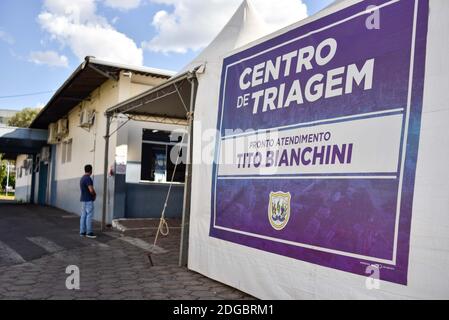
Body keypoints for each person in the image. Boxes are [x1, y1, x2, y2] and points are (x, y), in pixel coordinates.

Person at [80, 164, 97, 238]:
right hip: (88, 200)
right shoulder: (88, 179)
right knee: (89, 216)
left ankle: (82, 232)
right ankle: (89, 232)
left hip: (83, 200)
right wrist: (94, 195)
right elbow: (91, 189)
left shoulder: (82, 178)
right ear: (91, 170)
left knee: (83, 216)